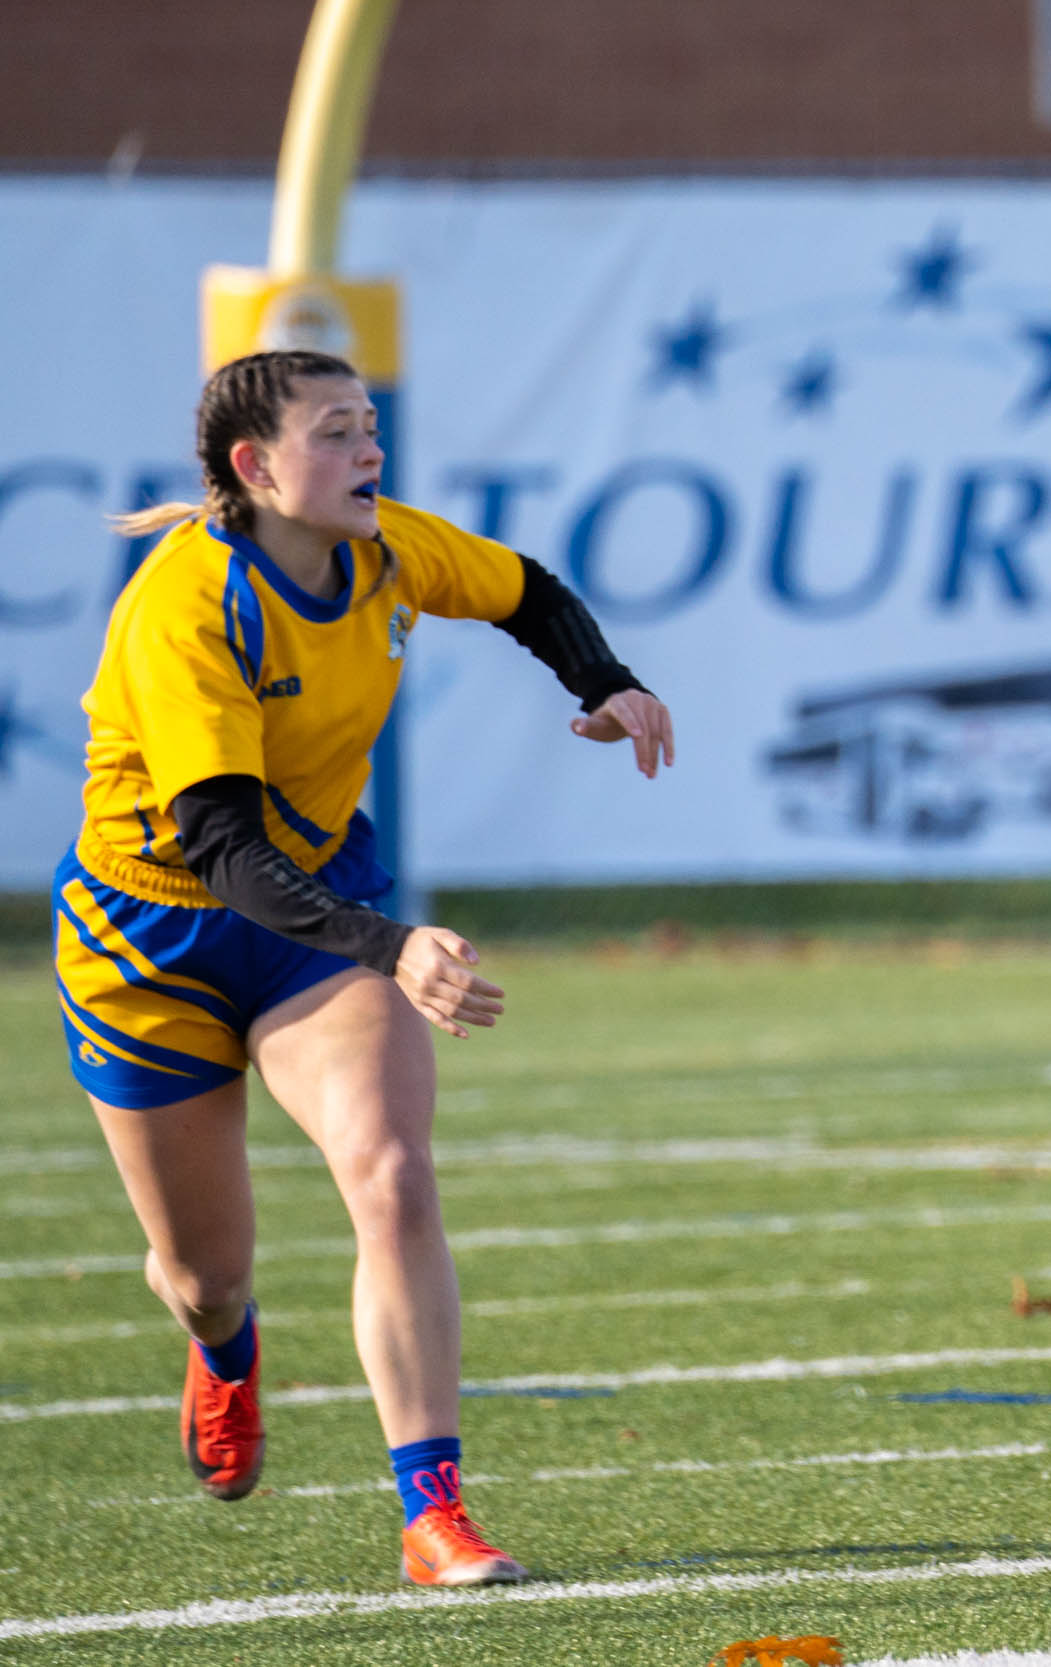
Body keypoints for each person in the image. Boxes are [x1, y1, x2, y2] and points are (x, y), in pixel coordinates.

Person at [65, 349, 674, 1586]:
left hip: (318, 924)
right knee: (203, 1271)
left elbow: (526, 591)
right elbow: (228, 856)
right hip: (152, 943)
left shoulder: (386, 547)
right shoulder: (185, 605)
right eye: (339, 433)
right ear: (256, 465)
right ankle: (224, 1346)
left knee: (392, 1175)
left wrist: (608, 682)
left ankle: (433, 1511)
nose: (370, 454)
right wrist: (399, 947)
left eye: (371, 428)